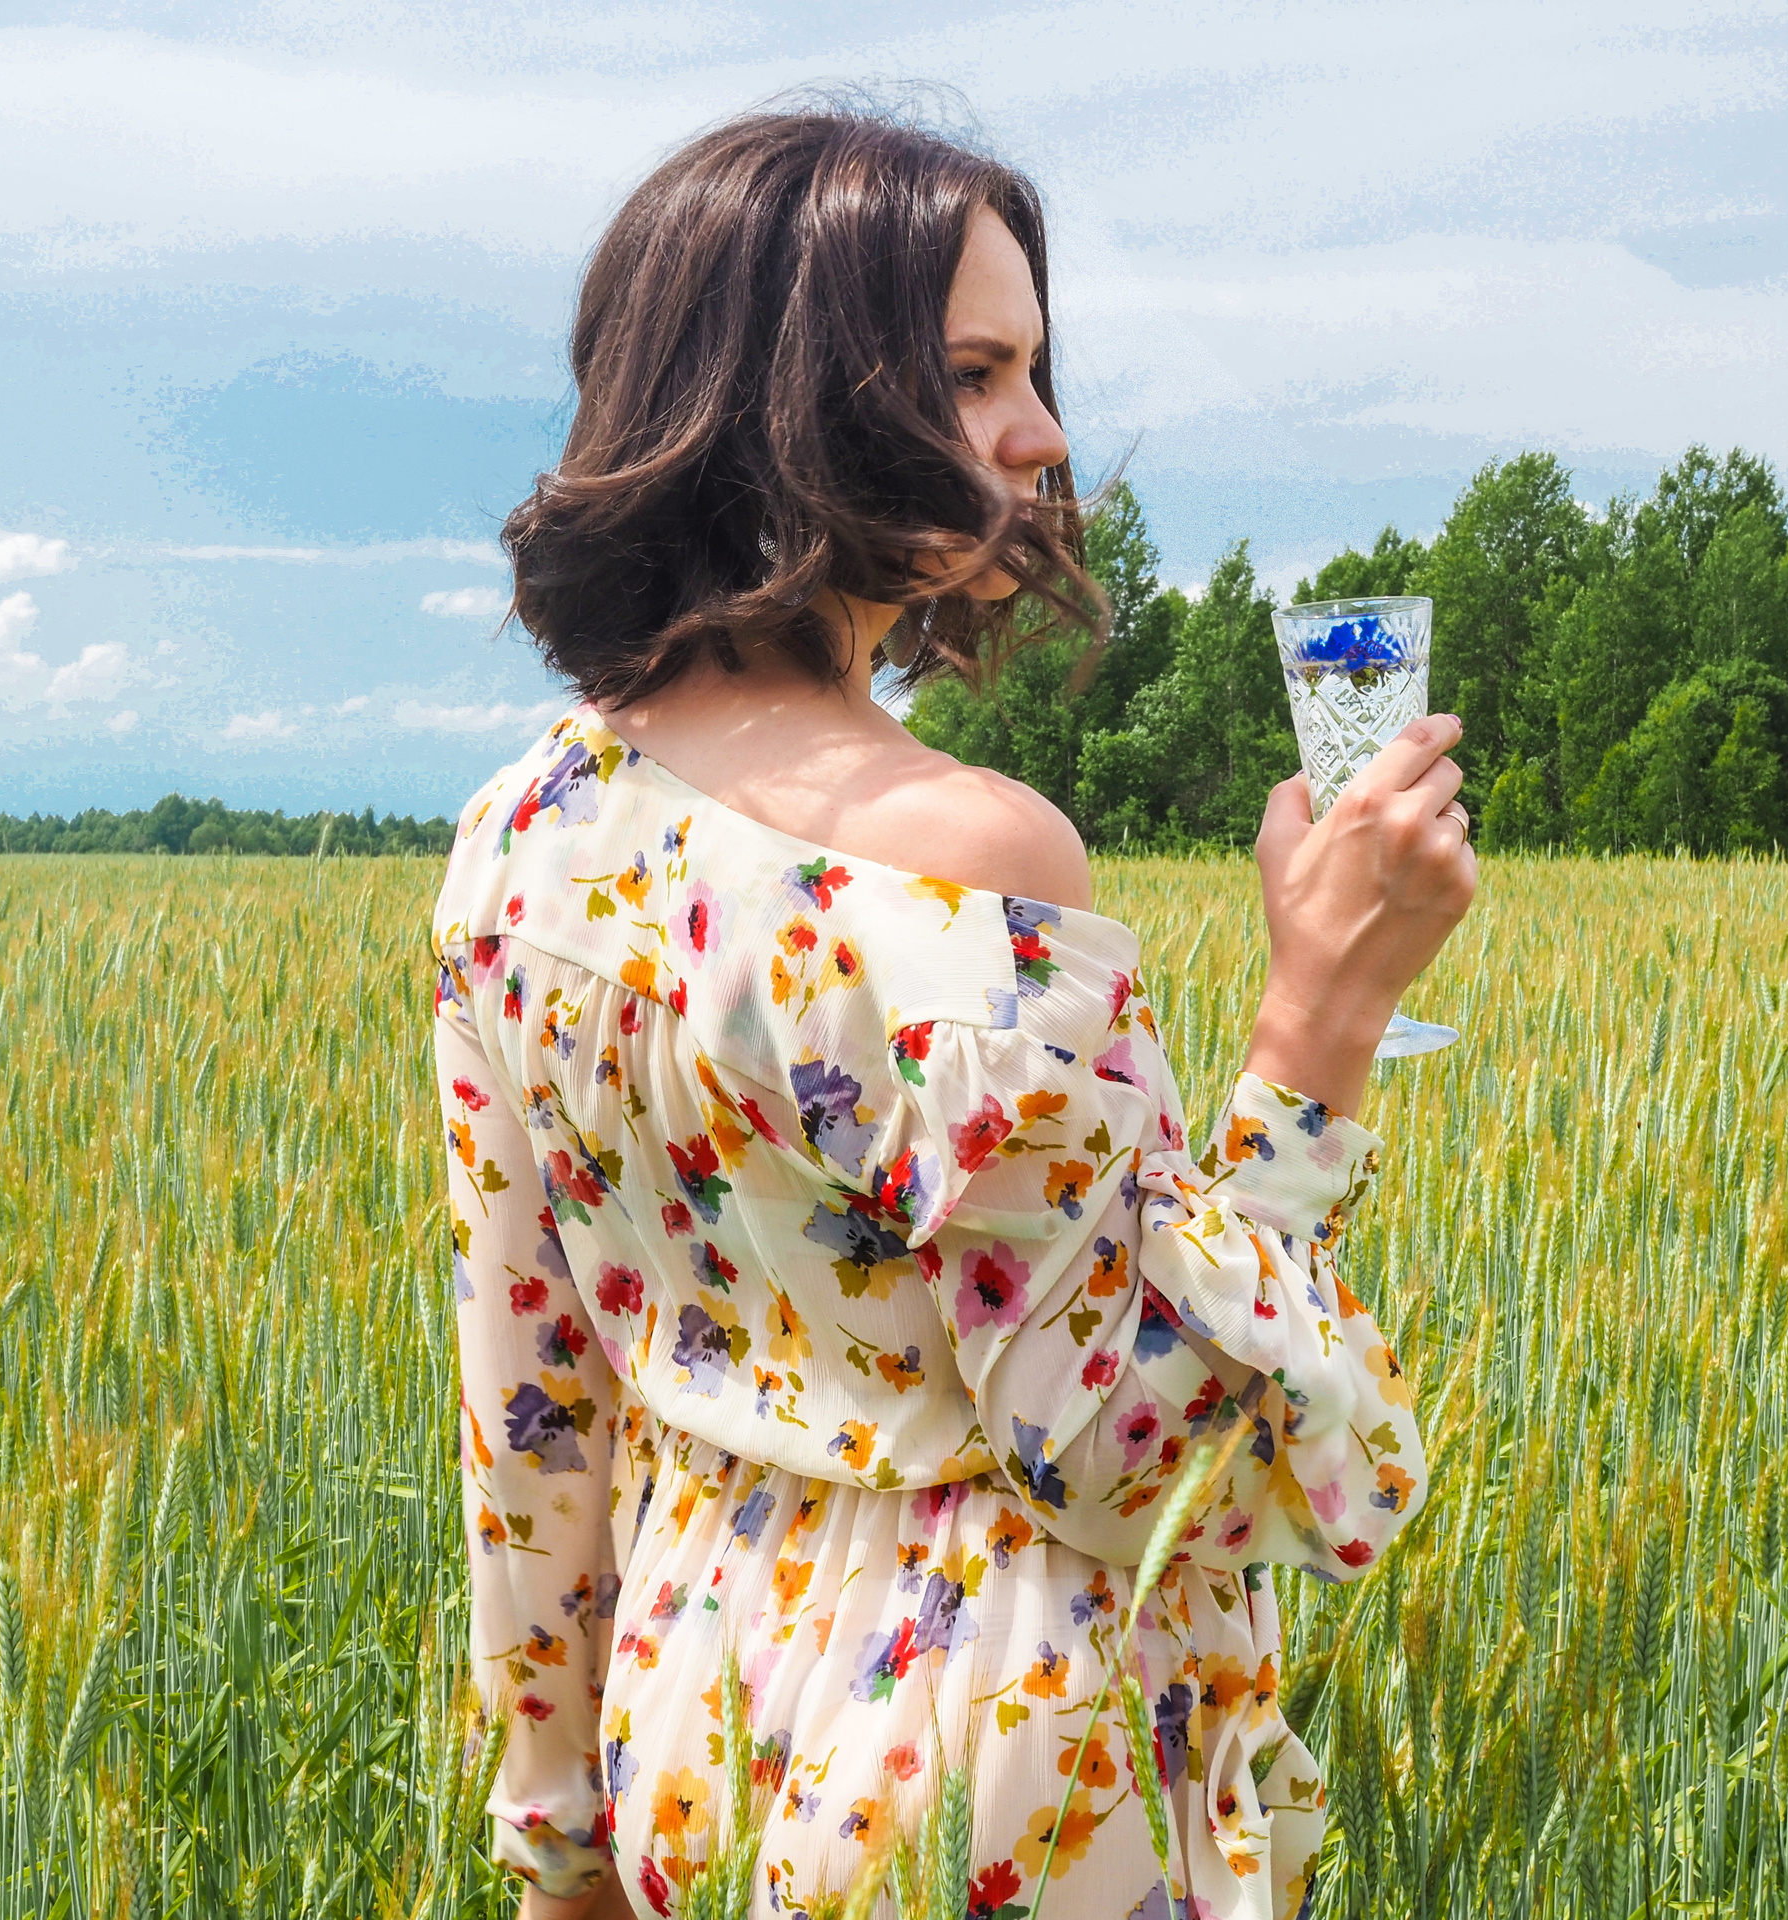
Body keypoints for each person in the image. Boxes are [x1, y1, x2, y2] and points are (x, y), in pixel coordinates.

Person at [430, 105, 1476, 1920]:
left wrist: (558, 1839)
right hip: (994, 1762)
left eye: (1036, 368)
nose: (1044, 436)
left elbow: (529, 1402)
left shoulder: (519, 836)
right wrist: (1324, 1017)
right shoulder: (973, 861)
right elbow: (1146, 1441)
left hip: (691, 1732)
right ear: (792, 399)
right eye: (978, 371)